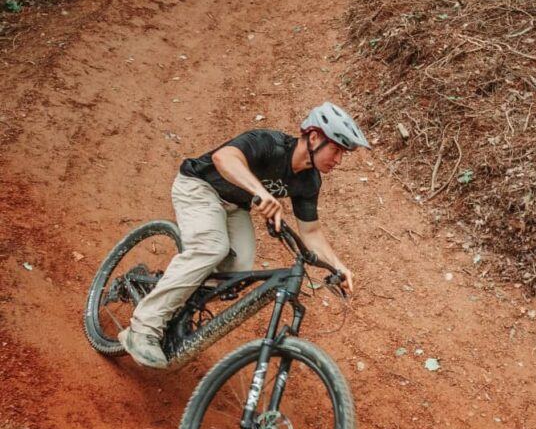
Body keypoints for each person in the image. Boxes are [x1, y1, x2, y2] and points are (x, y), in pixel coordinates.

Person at [118, 102, 370, 368]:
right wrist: (260, 192)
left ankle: (177, 310)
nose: (339, 160)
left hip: (234, 206)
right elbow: (223, 158)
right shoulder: (268, 143)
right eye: (336, 150)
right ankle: (143, 329)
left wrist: (338, 266)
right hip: (199, 187)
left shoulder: (309, 181)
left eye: (343, 153)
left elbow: (311, 232)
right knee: (212, 247)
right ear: (315, 137)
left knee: (238, 268)